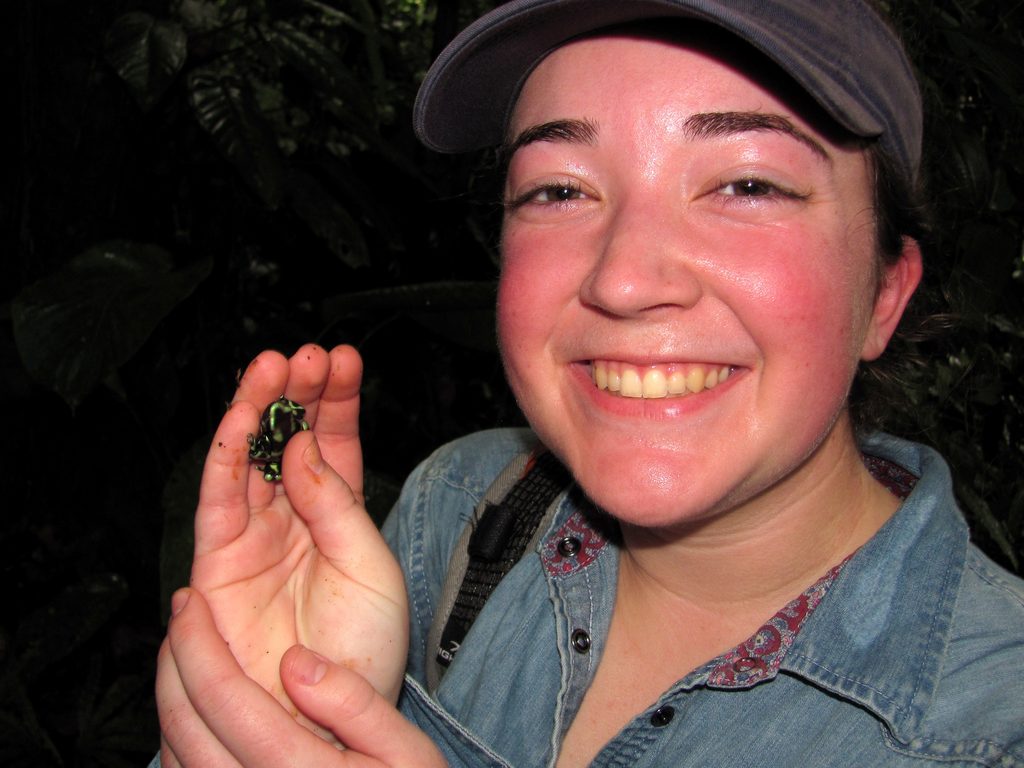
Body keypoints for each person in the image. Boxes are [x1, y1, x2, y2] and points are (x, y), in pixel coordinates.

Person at [153, 1, 1024, 766]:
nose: (623, 279)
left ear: (884, 294)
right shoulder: (455, 513)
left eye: (747, 183)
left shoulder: (991, 722)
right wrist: (264, 716)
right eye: (559, 190)